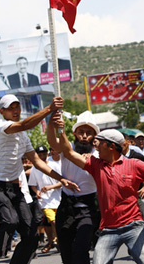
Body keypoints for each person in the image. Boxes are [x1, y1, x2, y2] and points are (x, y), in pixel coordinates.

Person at [54, 117, 144, 264]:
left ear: (111, 146)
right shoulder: (95, 164)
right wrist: (60, 129)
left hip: (134, 226)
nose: (96, 145)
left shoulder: (133, 164)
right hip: (108, 230)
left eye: (99, 143)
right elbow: (68, 152)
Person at [0, 94, 76, 264]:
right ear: (1, 111)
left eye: (17, 107)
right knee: (10, 221)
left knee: (31, 236)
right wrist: (50, 109)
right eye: (11, 108)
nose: (15, 110)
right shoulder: (1, 126)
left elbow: (37, 161)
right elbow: (25, 124)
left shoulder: (23, 137)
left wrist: (61, 179)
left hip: (14, 190)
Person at [47, 109, 100, 264]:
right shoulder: (66, 148)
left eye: (88, 133)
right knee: (66, 249)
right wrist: (53, 124)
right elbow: (52, 141)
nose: (84, 136)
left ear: (94, 136)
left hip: (88, 208)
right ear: (75, 133)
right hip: (66, 206)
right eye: (81, 132)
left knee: (81, 247)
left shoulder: (98, 155)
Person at [28, 146, 62, 253]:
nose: (42, 157)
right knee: (53, 221)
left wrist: (50, 187)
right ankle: (57, 240)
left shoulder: (54, 166)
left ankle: (56, 241)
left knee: (58, 222)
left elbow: (62, 182)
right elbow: (33, 184)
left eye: (44, 154)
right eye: (40, 155)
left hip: (58, 198)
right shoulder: (34, 169)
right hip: (45, 201)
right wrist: (37, 192)